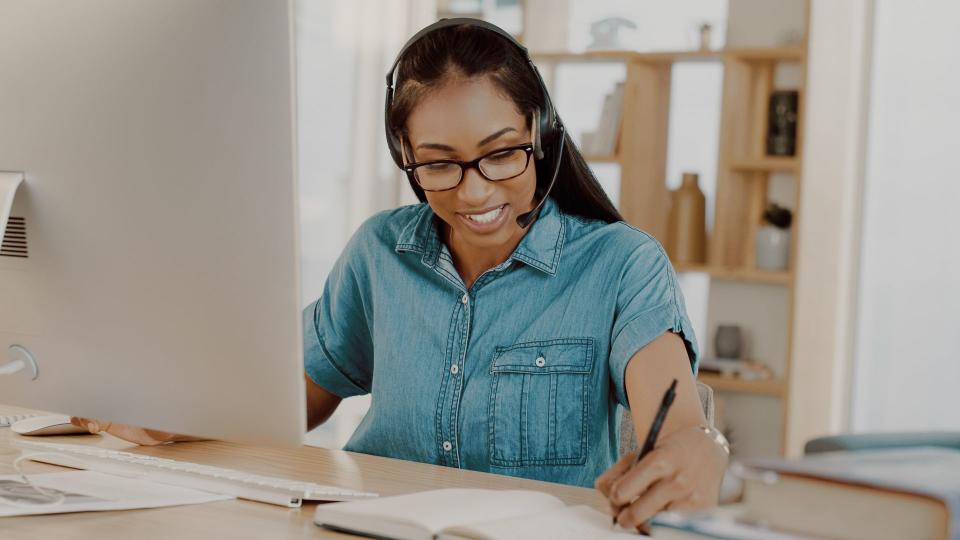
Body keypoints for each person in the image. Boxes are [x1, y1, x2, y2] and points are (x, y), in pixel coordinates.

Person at [73, 19, 728, 529]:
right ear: (404, 156)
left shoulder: (622, 264)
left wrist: (698, 447)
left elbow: (675, 424)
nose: (474, 193)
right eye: (439, 164)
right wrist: (168, 412)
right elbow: (276, 407)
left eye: (501, 154)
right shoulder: (379, 252)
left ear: (541, 131)